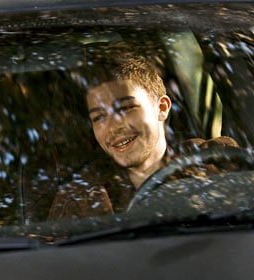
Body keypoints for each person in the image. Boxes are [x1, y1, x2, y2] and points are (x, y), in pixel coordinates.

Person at [48, 54, 238, 220]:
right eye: (99, 117)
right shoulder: (82, 197)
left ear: (161, 108)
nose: (113, 127)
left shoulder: (216, 162)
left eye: (126, 108)